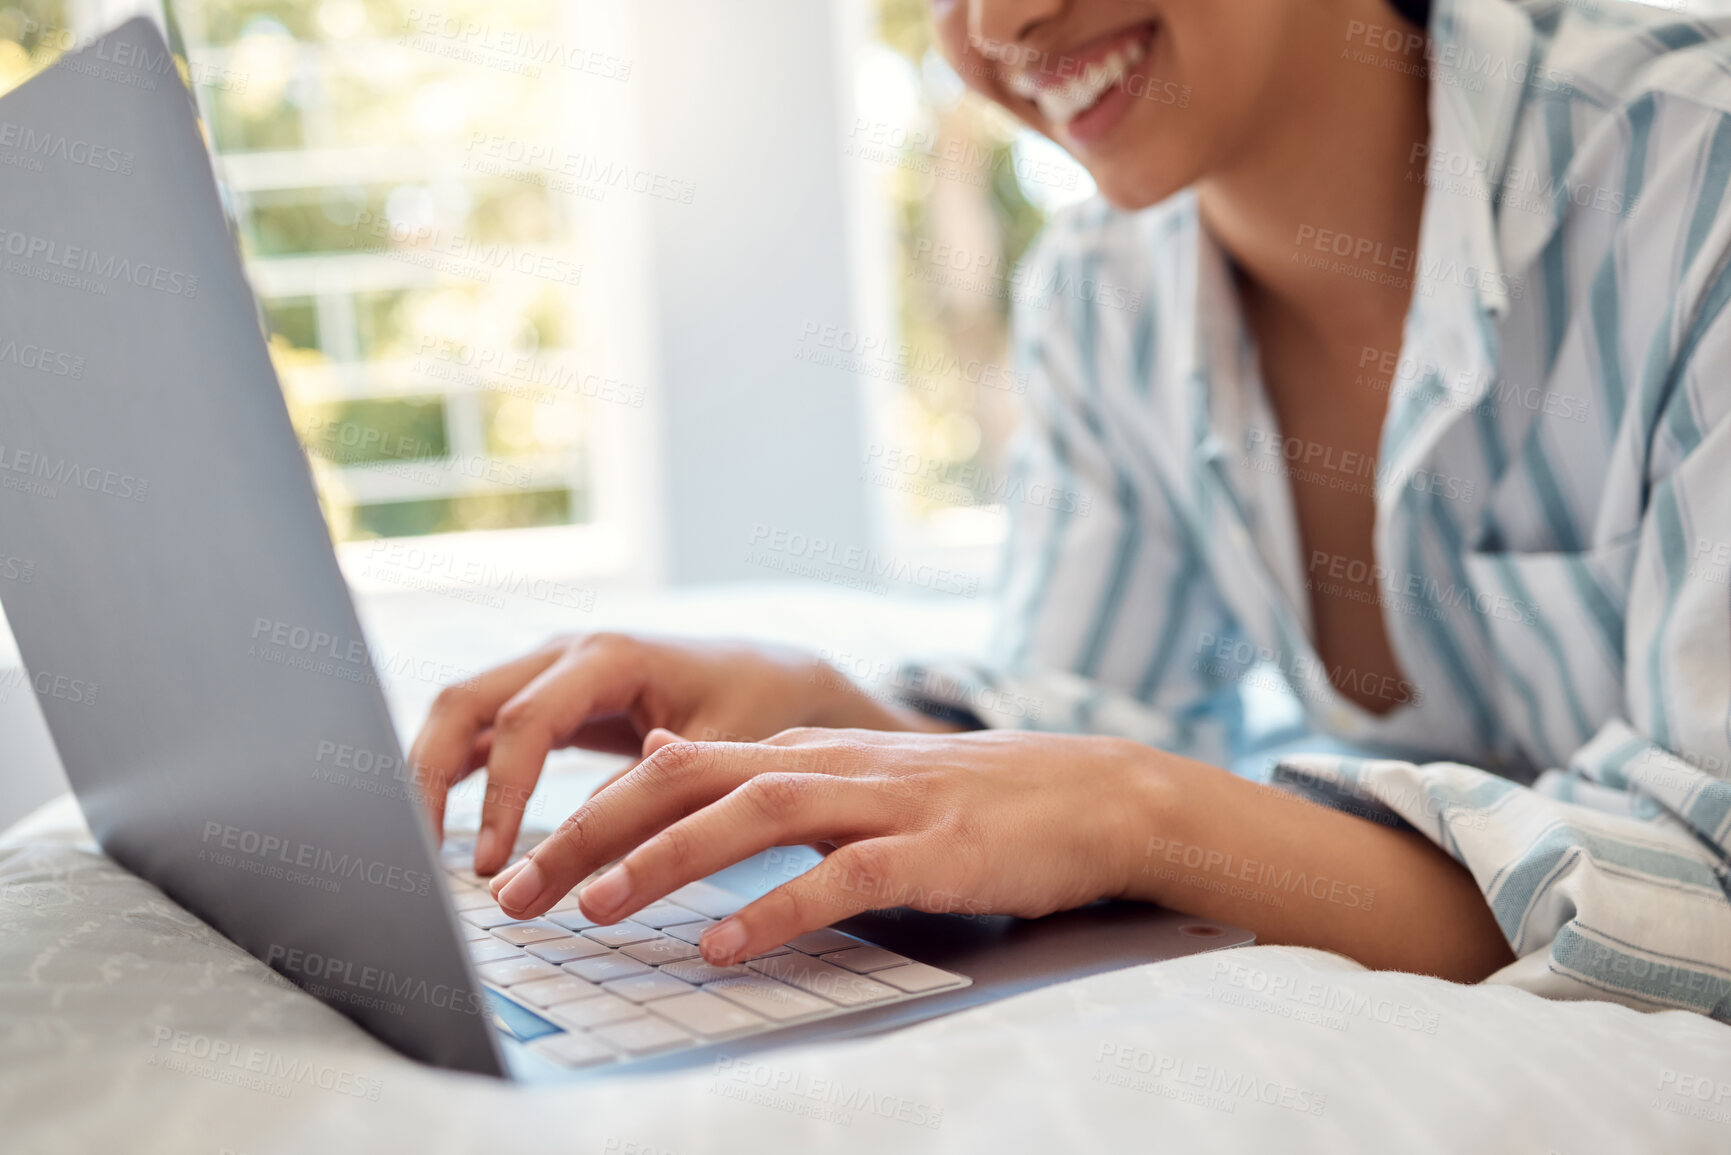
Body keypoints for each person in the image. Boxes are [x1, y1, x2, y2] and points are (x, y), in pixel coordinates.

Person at [412, 0, 1731, 1015]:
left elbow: (1710, 896)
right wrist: (832, 714)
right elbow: (1085, 720)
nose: (993, 29)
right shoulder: (1108, 291)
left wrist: (1143, 812)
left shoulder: (1695, 172)